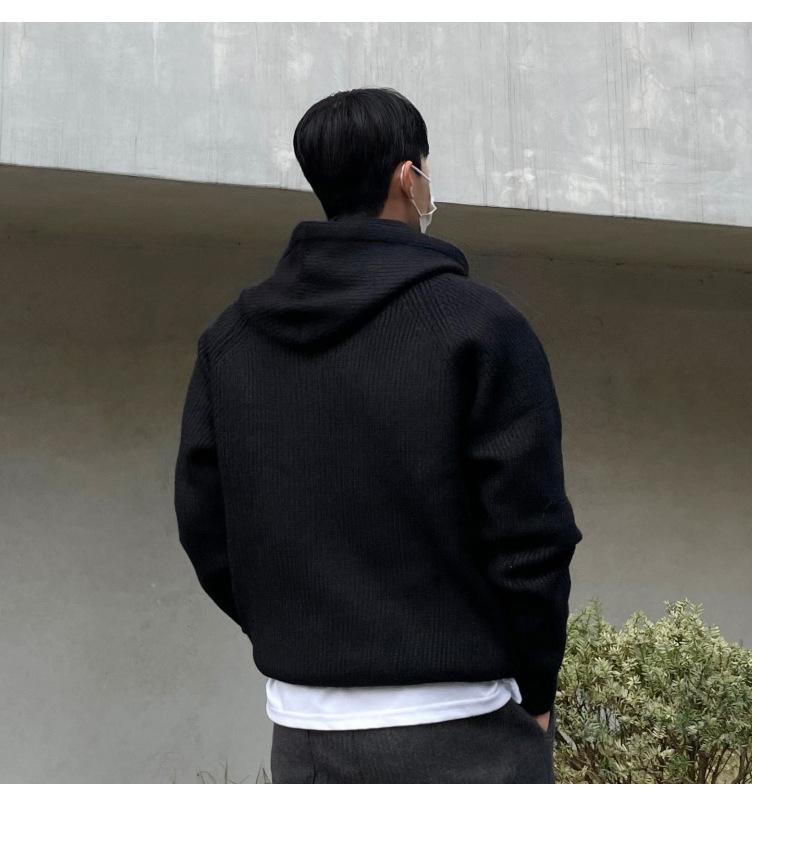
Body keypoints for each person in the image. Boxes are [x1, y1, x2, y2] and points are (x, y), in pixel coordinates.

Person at [174, 87, 583, 783]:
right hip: (463, 730)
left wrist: (298, 636)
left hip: (302, 734)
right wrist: (538, 689)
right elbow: (532, 536)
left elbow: (204, 523)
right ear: (407, 176)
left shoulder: (231, 340)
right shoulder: (481, 326)